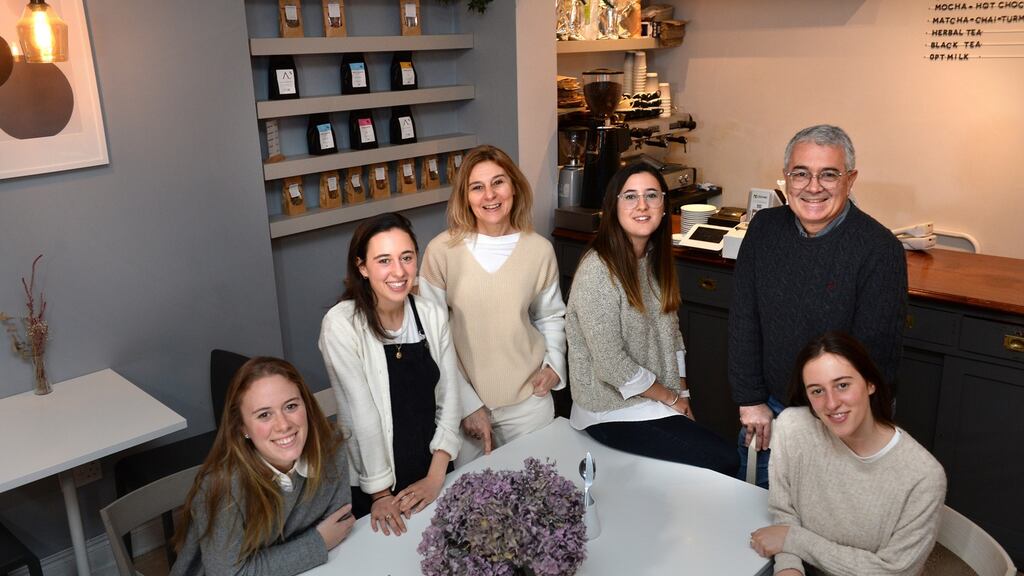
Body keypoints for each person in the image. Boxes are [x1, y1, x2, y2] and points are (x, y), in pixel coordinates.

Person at [729, 124, 908, 487]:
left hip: (842, 422)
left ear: (850, 179)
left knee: (825, 531)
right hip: (770, 410)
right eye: (801, 173)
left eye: (829, 174)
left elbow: (872, 359)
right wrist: (750, 401)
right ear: (786, 178)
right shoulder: (764, 228)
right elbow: (744, 320)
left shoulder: (879, 249)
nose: (813, 187)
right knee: (755, 519)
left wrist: (831, 427)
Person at [565, 161, 739, 476]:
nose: (642, 205)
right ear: (613, 206)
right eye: (630, 196)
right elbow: (611, 364)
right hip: (608, 410)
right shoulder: (598, 270)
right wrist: (671, 398)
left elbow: (672, 337)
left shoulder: (651, 261)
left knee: (720, 455)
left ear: (663, 206)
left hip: (652, 403)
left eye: (651, 196)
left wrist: (684, 398)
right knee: (723, 460)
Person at [750, 332, 945, 575]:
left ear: (870, 383)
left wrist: (796, 541)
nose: (831, 404)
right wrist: (789, 568)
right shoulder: (793, 428)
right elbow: (784, 513)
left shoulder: (923, 475)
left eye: (842, 385)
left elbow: (894, 571)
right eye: (817, 391)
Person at [419, 144, 566, 465]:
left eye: (498, 182)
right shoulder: (440, 251)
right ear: (465, 196)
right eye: (477, 187)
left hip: (529, 402)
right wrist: (467, 404)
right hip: (465, 404)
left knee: (539, 497)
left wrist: (554, 365)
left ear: (514, 186)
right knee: (477, 508)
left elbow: (551, 316)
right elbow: (433, 337)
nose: (490, 195)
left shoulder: (539, 250)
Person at [319, 212, 461, 535]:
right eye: (384, 260)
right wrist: (381, 495)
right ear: (362, 267)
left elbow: (449, 398)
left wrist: (436, 476)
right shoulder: (341, 325)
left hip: (434, 470)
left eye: (406, 257)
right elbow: (362, 415)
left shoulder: (431, 314)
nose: (399, 272)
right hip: (374, 481)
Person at [171, 357, 353, 576]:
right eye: (264, 415)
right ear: (242, 428)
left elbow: (339, 525)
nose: (284, 425)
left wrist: (270, 561)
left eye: (291, 406)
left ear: (307, 406)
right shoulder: (223, 487)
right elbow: (230, 574)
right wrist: (318, 542)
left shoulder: (332, 447)